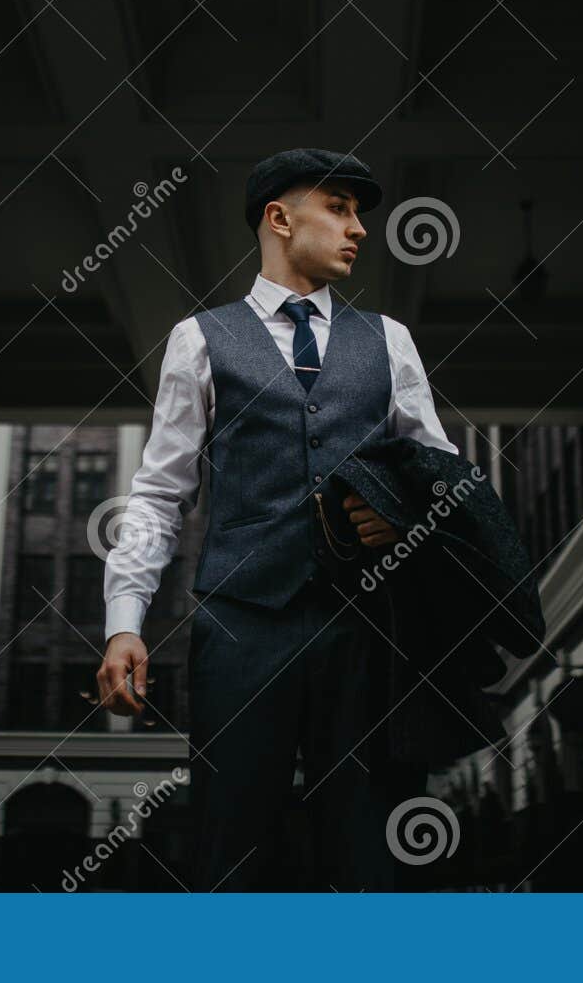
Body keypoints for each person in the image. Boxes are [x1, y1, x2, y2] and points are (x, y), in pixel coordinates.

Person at [96, 147, 461, 890]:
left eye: (359, 213)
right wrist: (124, 619)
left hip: (369, 625)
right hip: (241, 625)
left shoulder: (389, 340)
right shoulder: (199, 339)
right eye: (340, 208)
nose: (358, 228)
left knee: (369, 846)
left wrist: (406, 515)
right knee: (231, 842)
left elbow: (443, 477)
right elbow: (161, 492)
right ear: (279, 217)